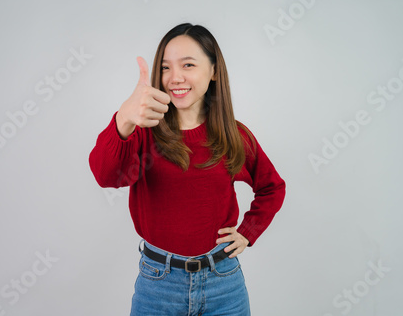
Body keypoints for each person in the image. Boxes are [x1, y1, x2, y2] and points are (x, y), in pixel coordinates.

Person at [89, 23, 286, 315]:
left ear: (214, 71)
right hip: (158, 284)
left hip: (224, 283)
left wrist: (248, 231)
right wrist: (124, 118)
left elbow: (272, 187)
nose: (175, 77)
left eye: (188, 65)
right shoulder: (143, 132)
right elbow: (106, 176)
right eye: (166, 68)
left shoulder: (234, 136)